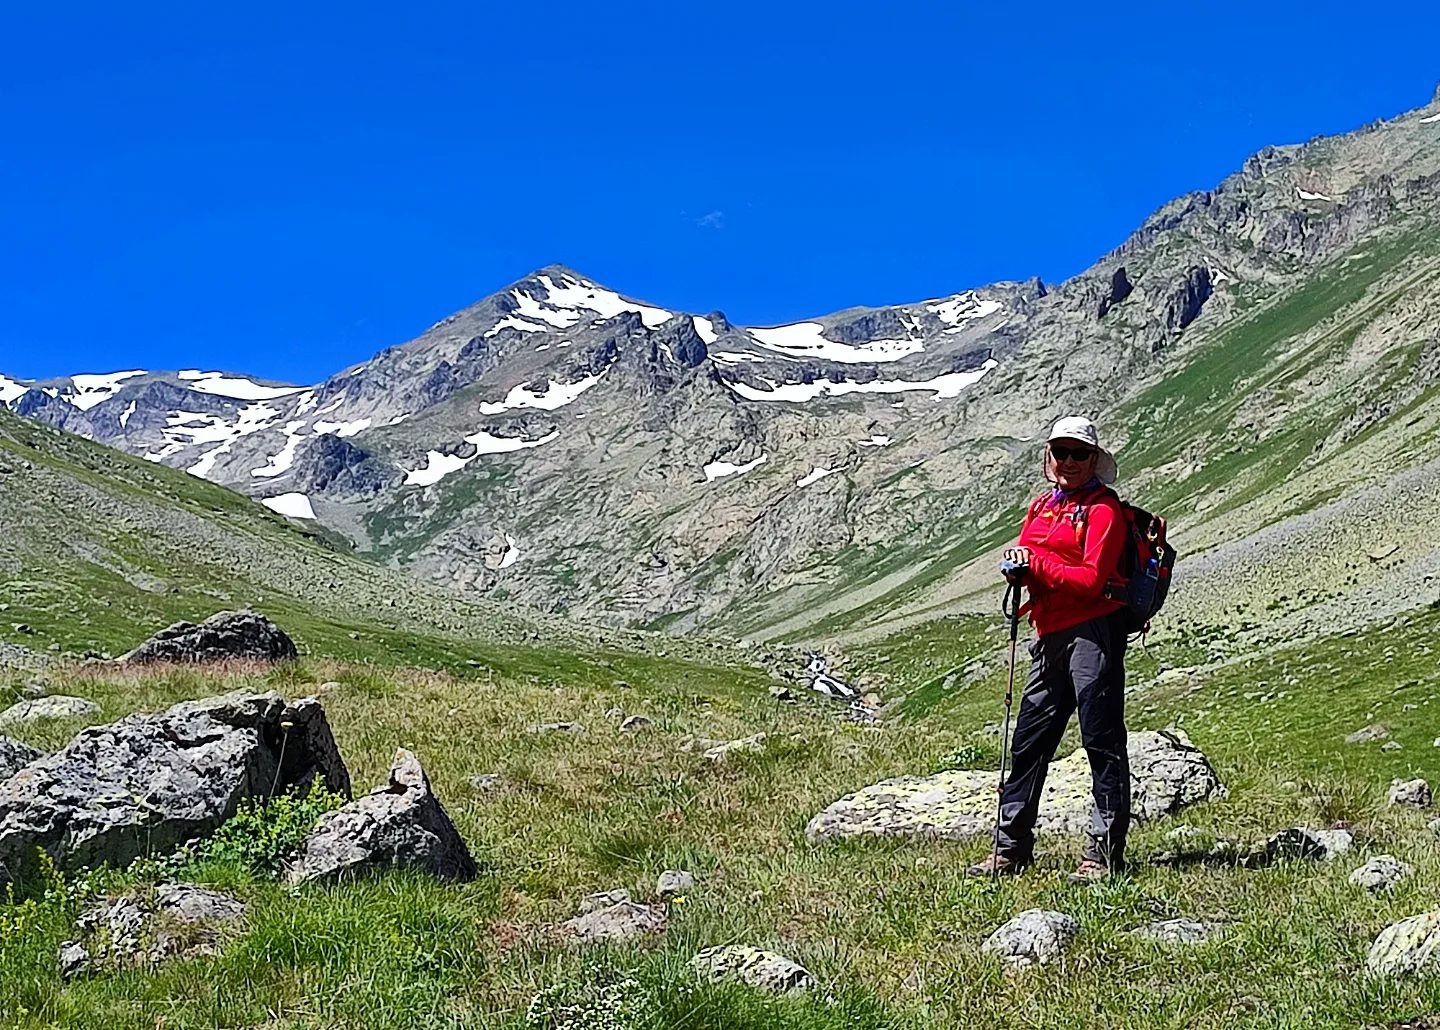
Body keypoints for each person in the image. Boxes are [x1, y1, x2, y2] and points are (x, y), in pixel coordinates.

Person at [967, 415, 1131, 883]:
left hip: (1093, 632)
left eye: (1080, 454)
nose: (1069, 461)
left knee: (1100, 740)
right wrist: (1018, 568)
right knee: (1029, 741)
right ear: (1049, 457)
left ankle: (1103, 855)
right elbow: (1029, 556)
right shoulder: (1041, 507)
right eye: (1061, 452)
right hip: (1049, 633)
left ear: (1094, 460)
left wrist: (1035, 565)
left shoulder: (1104, 510)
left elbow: (1092, 579)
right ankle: (1010, 848)